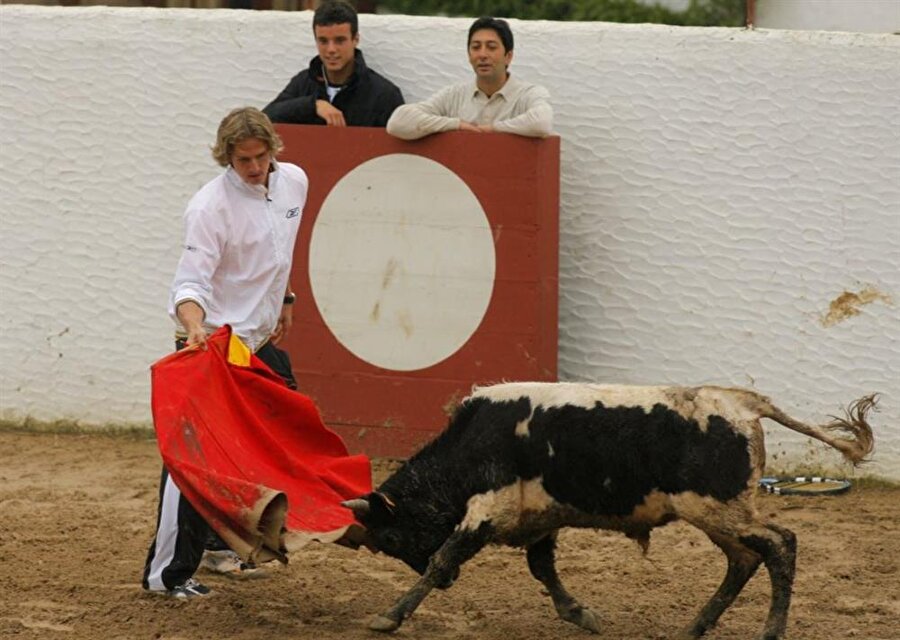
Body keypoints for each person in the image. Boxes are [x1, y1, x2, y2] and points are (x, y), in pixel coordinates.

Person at [142, 106, 308, 598]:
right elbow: (189, 284)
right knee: (191, 463)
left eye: (261, 157)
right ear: (226, 158)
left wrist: (286, 298)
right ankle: (165, 576)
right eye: (242, 160)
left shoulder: (295, 181)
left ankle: (217, 545)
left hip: (256, 343)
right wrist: (194, 328)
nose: (254, 167)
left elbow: (276, 252)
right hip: (210, 344)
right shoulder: (208, 207)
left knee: (271, 435)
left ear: (274, 149)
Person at [386, 17, 553, 140]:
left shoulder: (528, 94)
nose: (482, 55)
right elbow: (398, 122)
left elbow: (542, 122)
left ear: (508, 56)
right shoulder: (454, 95)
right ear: (469, 55)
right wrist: (456, 125)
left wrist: (492, 129)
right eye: (476, 47)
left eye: (491, 47)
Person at [263, 0, 404, 127]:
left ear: (355, 39)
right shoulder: (303, 82)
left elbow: (399, 151)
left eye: (339, 40)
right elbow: (263, 120)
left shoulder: (384, 95)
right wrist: (313, 106)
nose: (331, 50)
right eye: (323, 41)